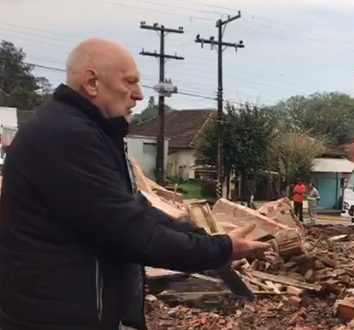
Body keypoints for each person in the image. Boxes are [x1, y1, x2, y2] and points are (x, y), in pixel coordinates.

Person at [0, 39, 269, 330]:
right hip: (53, 320)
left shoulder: (87, 133)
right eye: (130, 82)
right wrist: (217, 250)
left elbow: (135, 209)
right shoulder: (66, 137)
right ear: (92, 82)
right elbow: (130, 232)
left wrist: (205, 238)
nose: (139, 95)